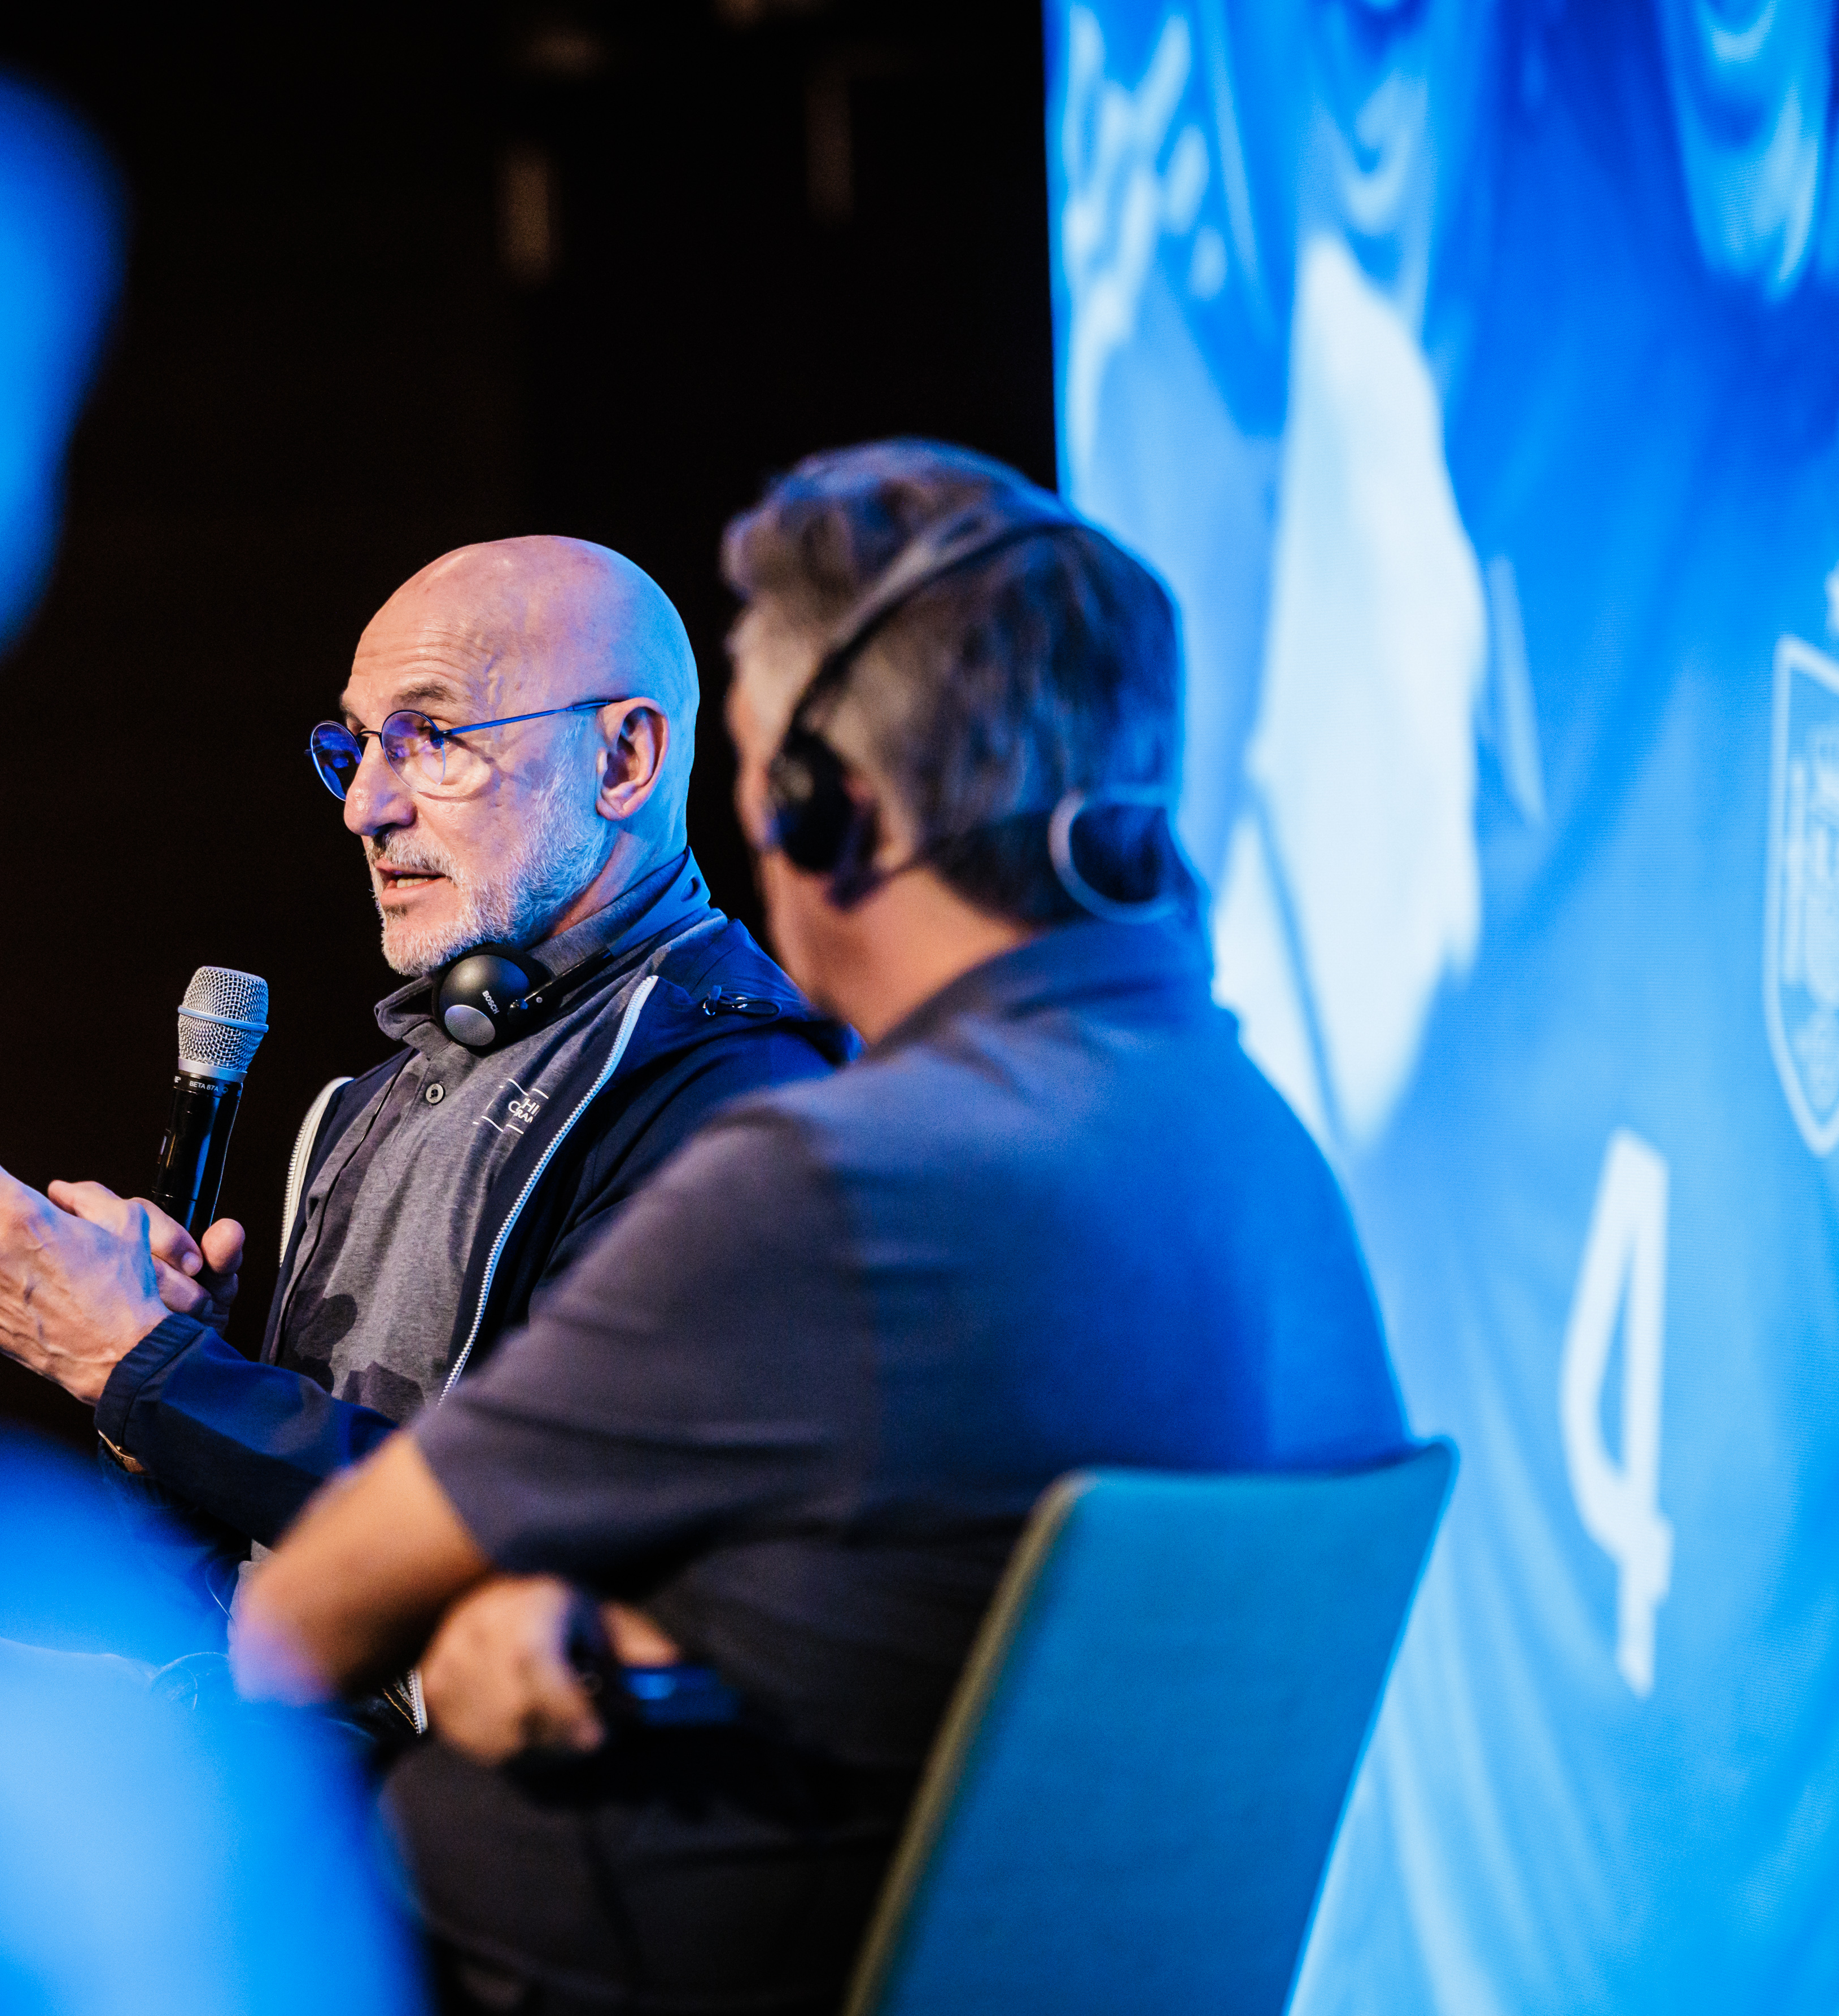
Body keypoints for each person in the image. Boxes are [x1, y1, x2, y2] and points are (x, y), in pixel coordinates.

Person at [227, 441, 1413, 2015]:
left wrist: (469, 1627)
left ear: (820, 807)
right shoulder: (1267, 1155)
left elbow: (296, 1622)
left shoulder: (835, 1186)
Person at [0, 534, 842, 1648]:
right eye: (355, 747)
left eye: (429, 738)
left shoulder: (730, 1095)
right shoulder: (371, 1101)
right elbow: (250, 1577)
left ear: (623, 760)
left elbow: (536, 1535)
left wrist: (147, 1368)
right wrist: (151, 1401)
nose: (364, 808)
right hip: (241, 1715)